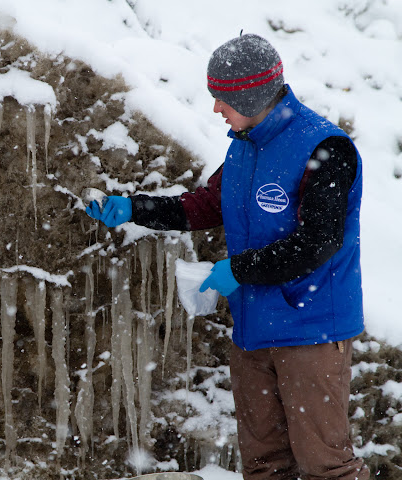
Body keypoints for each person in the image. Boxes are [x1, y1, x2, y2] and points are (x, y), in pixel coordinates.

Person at [86, 33, 369, 480]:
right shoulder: (244, 145)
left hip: (311, 330)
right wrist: (134, 209)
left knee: (325, 466)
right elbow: (203, 205)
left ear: (251, 95)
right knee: (264, 465)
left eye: (222, 98)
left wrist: (239, 270)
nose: (216, 108)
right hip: (254, 329)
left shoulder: (325, 148)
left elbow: (318, 243)